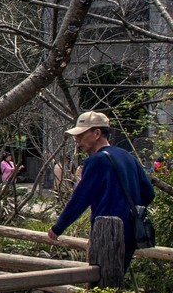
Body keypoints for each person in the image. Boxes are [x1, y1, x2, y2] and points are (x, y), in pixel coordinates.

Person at [47, 111, 155, 268]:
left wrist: (58, 227)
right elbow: (149, 193)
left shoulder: (97, 161)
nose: (77, 140)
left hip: (107, 234)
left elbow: (81, 198)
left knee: (101, 282)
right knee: (116, 281)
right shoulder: (128, 156)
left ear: (97, 133)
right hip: (131, 232)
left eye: (81, 135)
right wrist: (128, 209)